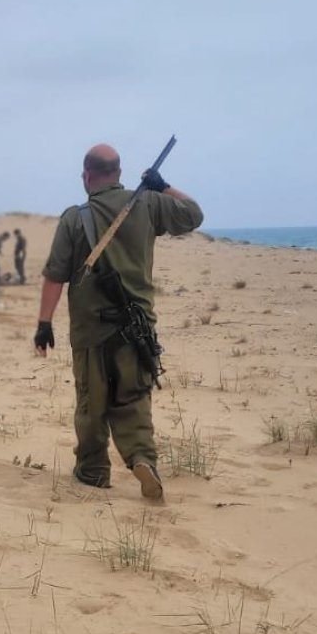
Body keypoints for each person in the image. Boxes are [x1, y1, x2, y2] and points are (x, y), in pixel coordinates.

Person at [34, 144, 203, 500]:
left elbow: (55, 275)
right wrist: (162, 185)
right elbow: (193, 214)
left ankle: (93, 470)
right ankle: (142, 457)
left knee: (91, 403)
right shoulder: (149, 203)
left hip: (91, 328)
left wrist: (44, 323)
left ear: (87, 175)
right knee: (133, 398)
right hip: (137, 326)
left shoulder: (74, 217)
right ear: (119, 173)